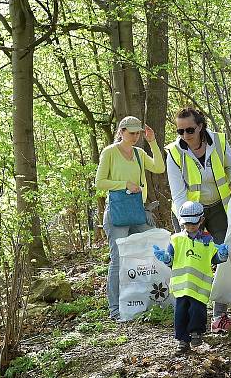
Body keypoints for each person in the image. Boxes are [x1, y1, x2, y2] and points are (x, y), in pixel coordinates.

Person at [165, 107, 231, 333]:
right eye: (180, 131)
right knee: (192, 263)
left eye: (189, 129)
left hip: (219, 208)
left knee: (223, 257)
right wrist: (190, 222)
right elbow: (178, 193)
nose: (185, 135)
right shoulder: (174, 153)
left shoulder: (218, 142)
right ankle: (189, 319)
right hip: (188, 215)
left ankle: (220, 315)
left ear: (200, 126)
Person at [95, 116, 165, 320]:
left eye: (138, 133)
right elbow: (99, 182)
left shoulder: (139, 153)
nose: (135, 137)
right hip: (117, 212)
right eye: (132, 133)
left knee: (154, 250)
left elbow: (159, 168)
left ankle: (151, 300)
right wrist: (124, 183)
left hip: (137, 212)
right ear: (122, 131)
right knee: (118, 260)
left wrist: (152, 141)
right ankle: (115, 309)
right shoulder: (110, 152)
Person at [152, 201, 228, 354]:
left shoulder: (208, 240)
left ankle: (196, 334)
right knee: (180, 313)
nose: (190, 226)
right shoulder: (176, 239)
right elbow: (171, 260)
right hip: (181, 287)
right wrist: (165, 258)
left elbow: (214, 258)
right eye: (187, 223)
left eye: (193, 223)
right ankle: (182, 341)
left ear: (201, 220)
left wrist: (222, 254)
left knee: (197, 311)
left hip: (200, 287)